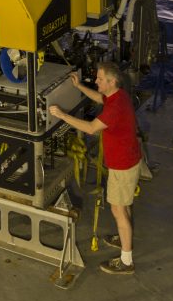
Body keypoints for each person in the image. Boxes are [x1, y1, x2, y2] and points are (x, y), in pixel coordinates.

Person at [50, 61, 141, 275]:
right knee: (125, 204)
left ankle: (127, 261)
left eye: (100, 79)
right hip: (128, 160)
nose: (96, 81)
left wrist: (62, 115)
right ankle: (123, 237)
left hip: (123, 166)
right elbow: (101, 98)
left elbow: (91, 128)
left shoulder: (115, 107)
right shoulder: (117, 95)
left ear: (112, 81)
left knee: (118, 209)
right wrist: (79, 86)